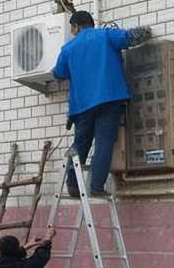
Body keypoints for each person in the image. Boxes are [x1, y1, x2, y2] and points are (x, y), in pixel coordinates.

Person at [53, 10, 152, 197]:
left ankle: (73, 185)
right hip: (109, 98)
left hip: (81, 106)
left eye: (72, 28)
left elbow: (58, 73)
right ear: (91, 23)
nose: (72, 32)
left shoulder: (68, 49)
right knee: (104, 143)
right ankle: (96, 187)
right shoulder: (106, 35)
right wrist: (146, 31)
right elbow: (131, 37)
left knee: (80, 144)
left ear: (75, 26)